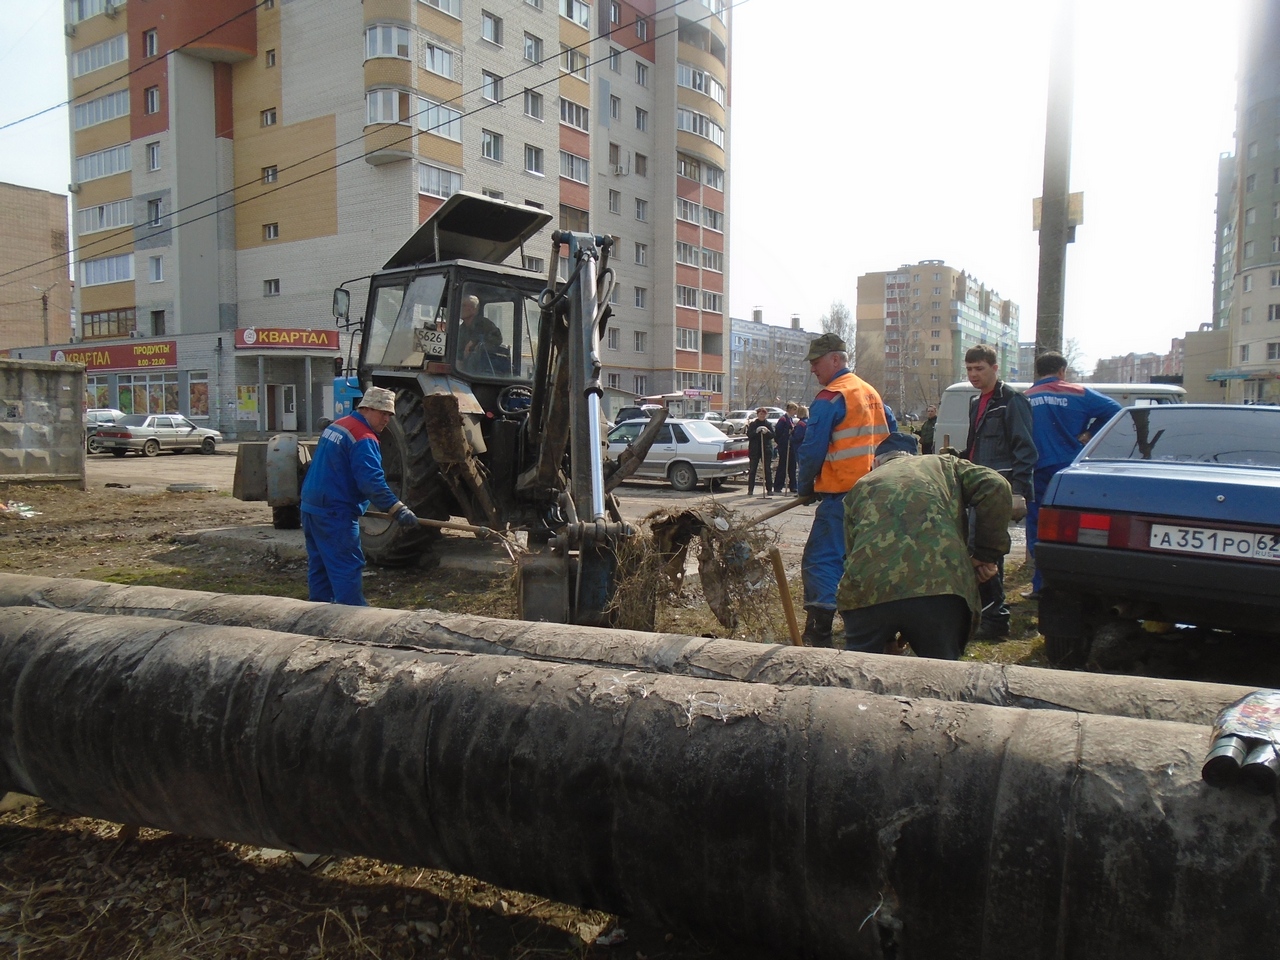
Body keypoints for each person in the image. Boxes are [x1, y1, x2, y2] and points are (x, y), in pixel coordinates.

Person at [837, 433, 1012, 659]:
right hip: (940, 589)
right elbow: (996, 485)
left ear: (877, 462)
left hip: (868, 593)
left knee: (856, 674)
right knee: (941, 675)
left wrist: (886, 639)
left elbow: (852, 556)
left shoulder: (862, 485)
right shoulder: (943, 465)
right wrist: (986, 554)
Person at [795, 333, 895, 647]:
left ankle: (819, 633)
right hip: (875, 495)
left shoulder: (831, 397)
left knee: (822, 560)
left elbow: (812, 450)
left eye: (816, 362)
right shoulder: (871, 394)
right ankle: (874, 631)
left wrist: (805, 487)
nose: (813, 369)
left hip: (842, 498)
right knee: (865, 560)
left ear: (836, 360)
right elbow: (892, 439)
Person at [300, 386, 420, 605]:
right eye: (382, 413)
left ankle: (317, 614)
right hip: (335, 512)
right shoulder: (364, 437)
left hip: (311, 506)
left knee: (320, 564)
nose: (386, 419)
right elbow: (371, 482)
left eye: (390, 414)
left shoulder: (337, 426)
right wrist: (397, 509)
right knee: (346, 565)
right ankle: (352, 619)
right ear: (366, 408)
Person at [1022, 351, 1122, 598]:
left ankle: (1041, 586)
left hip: (1036, 468)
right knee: (1071, 527)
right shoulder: (1078, 393)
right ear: (1062, 371)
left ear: (1038, 372)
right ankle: (1071, 586)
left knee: (1037, 525)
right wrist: (1090, 433)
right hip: (1069, 470)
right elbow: (1116, 410)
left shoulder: (1025, 398)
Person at [961, 344, 1036, 639]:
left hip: (999, 491)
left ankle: (996, 620)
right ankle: (980, 615)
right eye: (968, 369)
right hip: (977, 488)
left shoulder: (1012, 401)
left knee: (989, 553)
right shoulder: (975, 402)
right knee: (974, 549)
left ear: (994, 368)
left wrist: (1019, 493)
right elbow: (975, 446)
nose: (973, 375)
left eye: (979, 369)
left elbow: (1026, 450)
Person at [458, 295, 503, 370]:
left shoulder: (485, 324)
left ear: (473, 309)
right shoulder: (461, 329)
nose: (460, 308)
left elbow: (498, 339)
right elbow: (459, 350)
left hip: (484, 369)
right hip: (466, 370)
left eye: (463, 305)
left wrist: (478, 344)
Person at [745, 407, 776, 498]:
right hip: (755, 450)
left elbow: (773, 435)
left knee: (767, 470)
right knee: (753, 470)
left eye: (764, 414)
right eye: (760, 414)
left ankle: (769, 489)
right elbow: (749, 435)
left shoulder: (768, 424)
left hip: (766, 450)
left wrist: (767, 432)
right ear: (757, 415)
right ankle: (750, 490)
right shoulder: (753, 424)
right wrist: (756, 431)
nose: (762, 416)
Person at [772, 402, 800, 494]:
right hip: (784, 446)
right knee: (783, 466)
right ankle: (778, 486)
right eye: (794, 410)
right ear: (790, 409)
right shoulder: (783, 419)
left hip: (790, 446)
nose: (795, 412)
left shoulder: (790, 419)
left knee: (792, 466)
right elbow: (778, 433)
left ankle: (793, 486)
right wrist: (782, 441)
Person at [788, 405, 808, 494]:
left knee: (801, 470)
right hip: (806, 448)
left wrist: (791, 436)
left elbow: (797, 437)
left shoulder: (801, 424)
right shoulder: (808, 422)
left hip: (799, 448)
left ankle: (801, 490)